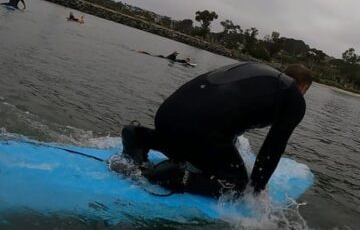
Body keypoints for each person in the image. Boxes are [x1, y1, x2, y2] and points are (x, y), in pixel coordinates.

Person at [121, 62, 312, 197]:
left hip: (167, 115)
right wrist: (254, 189)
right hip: (201, 128)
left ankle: (140, 136)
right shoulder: (294, 97)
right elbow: (273, 148)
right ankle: (177, 176)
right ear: (303, 88)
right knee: (237, 186)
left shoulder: (260, 73)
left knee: (196, 142)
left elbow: (226, 110)